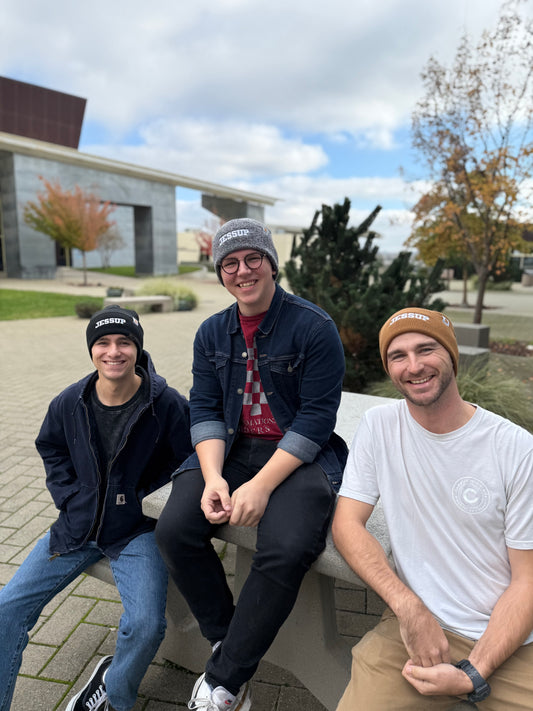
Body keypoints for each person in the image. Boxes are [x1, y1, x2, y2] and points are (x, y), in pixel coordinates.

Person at [155, 218, 348, 711]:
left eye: (252, 258)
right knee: (174, 529)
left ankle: (225, 680)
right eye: (230, 263)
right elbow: (204, 408)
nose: (242, 271)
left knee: (285, 547)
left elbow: (316, 419)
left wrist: (261, 486)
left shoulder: (313, 327)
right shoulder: (211, 332)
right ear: (221, 274)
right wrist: (213, 478)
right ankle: (231, 641)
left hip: (299, 455)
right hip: (231, 449)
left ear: (271, 264)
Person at [332, 307, 533, 711]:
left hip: (510, 638)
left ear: (452, 356)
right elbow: (346, 525)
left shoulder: (515, 448)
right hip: (416, 630)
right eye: (398, 356)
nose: (414, 366)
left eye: (426, 350)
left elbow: (527, 581)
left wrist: (474, 672)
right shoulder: (379, 427)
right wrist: (408, 607)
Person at [0, 305, 192, 711]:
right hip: (77, 527)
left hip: (135, 532)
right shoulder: (70, 402)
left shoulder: (167, 404)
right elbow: (51, 448)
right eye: (103, 342)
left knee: (145, 626)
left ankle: (114, 692)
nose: (113, 351)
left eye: (124, 342)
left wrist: (145, 500)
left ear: (138, 348)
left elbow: (188, 460)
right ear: (91, 350)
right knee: (7, 608)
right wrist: (71, 498)